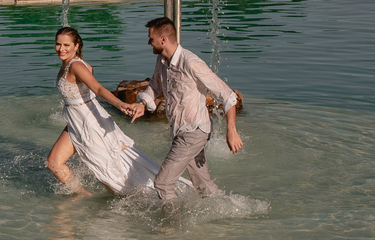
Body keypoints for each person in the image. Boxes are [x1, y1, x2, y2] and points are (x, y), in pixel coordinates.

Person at [47, 26, 180, 196]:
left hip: (88, 122)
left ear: (76, 46)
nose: (61, 49)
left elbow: (98, 89)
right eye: (58, 44)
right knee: (54, 163)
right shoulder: (73, 64)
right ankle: (82, 195)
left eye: (66, 45)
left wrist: (120, 104)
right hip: (75, 120)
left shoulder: (76, 66)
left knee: (108, 173)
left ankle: (143, 201)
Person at [126, 16, 241, 207]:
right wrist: (143, 103)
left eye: (151, 38)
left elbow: (228, 96)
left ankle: (173, 228)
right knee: (203, 185)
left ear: (163, 39)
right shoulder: (162, 60)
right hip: (180, 132)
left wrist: (232, 131)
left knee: (162, 183)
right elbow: (155, 85)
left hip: (194, 132)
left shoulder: (191, 63)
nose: (148, 42)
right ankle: (232, 210)